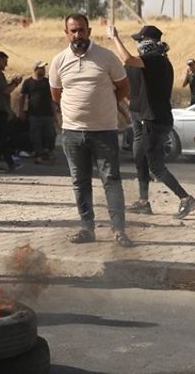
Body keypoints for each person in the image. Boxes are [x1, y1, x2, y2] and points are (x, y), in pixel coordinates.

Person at [48, 13, 133, 247]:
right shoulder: (58, 61)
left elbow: (123, 88)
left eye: (82, 30)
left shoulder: (106, 57)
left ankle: (119, 231)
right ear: (66, 33)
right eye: (73, 31)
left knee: (111, 180)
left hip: (104, 131)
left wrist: (103, 105)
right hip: (73, 133)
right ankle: (87, 228)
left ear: (89, 31)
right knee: (80, 181)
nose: (78, 35)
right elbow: (56, 93)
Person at [110, 24, 195, 219]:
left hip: (154, 119)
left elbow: (126, 59)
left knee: (155, 165)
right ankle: (143, 201)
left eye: (140, 41)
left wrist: (115, 37)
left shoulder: (155, 61)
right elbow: (130, 91)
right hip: (150, 117)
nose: (138, 45)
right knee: (140, 157)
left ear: (148, 43)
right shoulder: (155, 62)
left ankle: (185, 198)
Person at [19, 62, 56, 163]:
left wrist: (55, 114)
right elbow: (22, 97)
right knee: (36, 136)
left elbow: (52, 99)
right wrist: (21, 111)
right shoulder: (28, 82)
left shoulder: (48, 82)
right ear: (35, 69)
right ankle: (38, 155)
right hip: (34, 114)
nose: (43, 71)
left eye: (44, 69)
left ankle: (48, 151)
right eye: (41, 69)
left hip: (48, 114)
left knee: (50, 134)